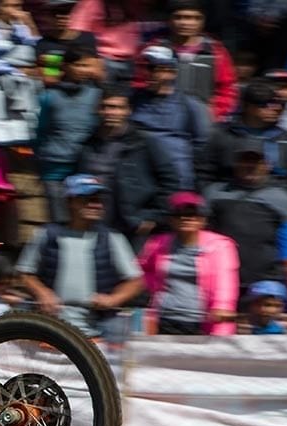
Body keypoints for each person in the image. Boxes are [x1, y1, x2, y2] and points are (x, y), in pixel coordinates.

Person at [17, 174, 145, 340]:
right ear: (70, 201)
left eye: (98, 200)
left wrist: (113, 299)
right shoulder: (47, 234)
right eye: (88, 199)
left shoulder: (112, 238)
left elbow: (136, 281)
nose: (95, 205)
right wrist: (42, 292)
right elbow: (25, 273)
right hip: (48, 331)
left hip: (96, 334)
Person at [76, 84, 179, 252]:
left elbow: (171, 179)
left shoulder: (144, 142)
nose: (110, 112)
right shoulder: (88, 143)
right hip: (95, 220)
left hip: (133, 223)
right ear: (97, 110)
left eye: (116, 107)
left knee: (133, 272)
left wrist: (153, 216)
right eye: (105, 107)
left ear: (128, 111)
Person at [204, 140, 287, 294]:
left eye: (256, 161)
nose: (250, 166)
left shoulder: (284, 198)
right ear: (235, 164)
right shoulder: (214, 194)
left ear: (267, 165)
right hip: (221, 280)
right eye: (244, 161)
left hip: (267, 285)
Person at [138, 191, 239, 336]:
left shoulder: (220, 246)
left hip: (202, 321)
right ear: (171, 219)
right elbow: (141, 274)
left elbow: (226, 282)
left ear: (203, 220)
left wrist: (222, 307)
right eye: (178, 214)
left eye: (193, 213)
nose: (186, 218)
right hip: (163, 318)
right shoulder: (157, 243)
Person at [199, 79, 287, 203]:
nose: (276, 108)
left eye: (281, 104)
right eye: (267, 103)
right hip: (232, 200)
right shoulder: (223, 135)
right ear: (247, 106)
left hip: (278, 201)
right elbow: (205, 173)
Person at [132, 0, 237, 122]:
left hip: (203, 120)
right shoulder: (153, 49)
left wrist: (214, 114)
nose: (185, 23)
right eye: (179, 17)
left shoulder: (216, 51)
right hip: (160, 118)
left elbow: (227, 88)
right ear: (169, 20)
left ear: (202, 21)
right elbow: (138, 83)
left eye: (194, 18)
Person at [130, 44, 212, 190]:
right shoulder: (133, 99)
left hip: (177, 180)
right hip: (141, 178)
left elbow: (203, 146)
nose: (148, 73)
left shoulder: (191, 105)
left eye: (153, 68)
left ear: (171, 72)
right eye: (146, 67)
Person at [34, 44, 100, 223]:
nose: (81, 70)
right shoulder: (49, 96)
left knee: (83, 218)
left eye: (86, 65)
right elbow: (41, 129)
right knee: (58, 217)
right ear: (65, 67)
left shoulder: (97, 95)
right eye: (77, 65)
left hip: (84, 164)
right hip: (54, 165)